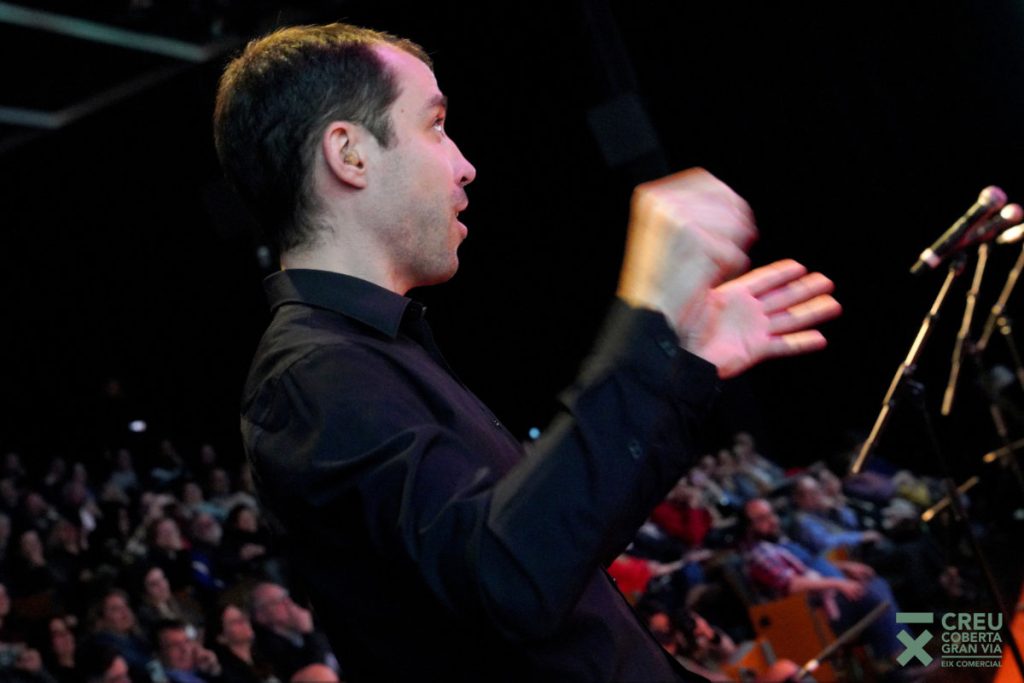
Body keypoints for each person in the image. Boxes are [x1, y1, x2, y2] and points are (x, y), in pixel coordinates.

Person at [214, 22, 840, 682]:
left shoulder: (369, 354)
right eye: (435, 126)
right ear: (350, 154)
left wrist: (677, 355)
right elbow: (511, 578)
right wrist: (647, 318)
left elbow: (561, 546)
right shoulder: (312, 377)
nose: (464, 164)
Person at [741, 498, 901, 662]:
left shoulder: (779, 541)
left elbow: (810, 565)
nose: (773, 521)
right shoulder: (759, 554)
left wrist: (845, 567)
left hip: (832, 593)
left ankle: (906, 657)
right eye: (762, 518)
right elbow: (792, 585)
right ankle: (901, 659)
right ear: (749, 527)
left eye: (772, 514)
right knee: (874, 593)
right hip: (814, 612)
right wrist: (839, 583)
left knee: (880, 585)